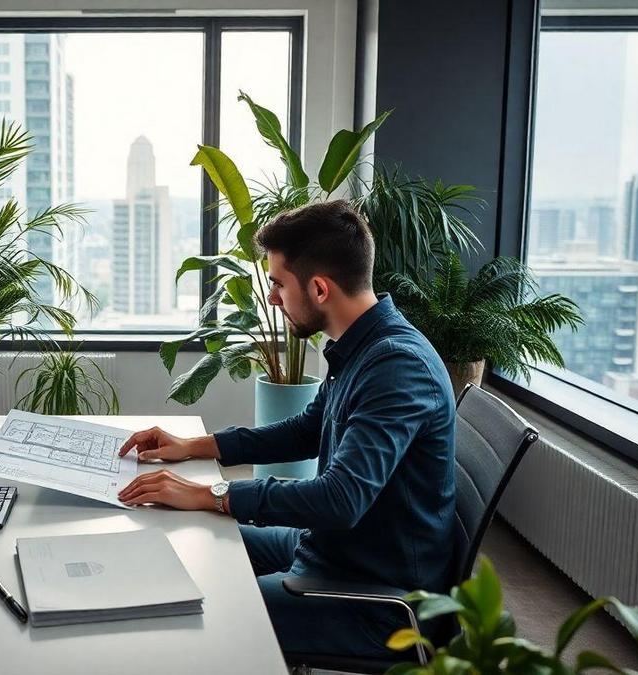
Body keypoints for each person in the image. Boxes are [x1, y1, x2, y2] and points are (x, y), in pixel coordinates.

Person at [118, 200, 456, 658]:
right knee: (190, 540)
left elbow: (340, 499)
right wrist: (194, 446)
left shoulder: (397, 366)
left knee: (199, 610)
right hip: (333, 550)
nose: (273, 298)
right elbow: (304, 431)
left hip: (379, 601)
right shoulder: (363, 346)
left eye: (278, 284)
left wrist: (211, 494)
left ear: (319, 288)